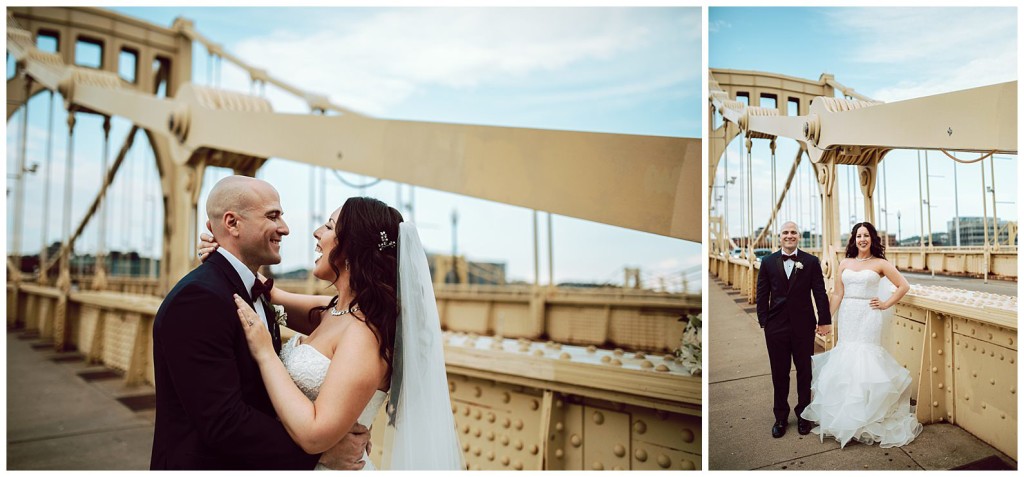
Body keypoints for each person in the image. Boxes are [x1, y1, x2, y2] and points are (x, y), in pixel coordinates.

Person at [199, 196, 464, 470]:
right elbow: (267, 293)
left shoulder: (364, 336)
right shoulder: (333, 312)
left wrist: (266, 354)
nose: (317, 232)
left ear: (351, 247)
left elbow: (314, 435)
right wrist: (226, 249)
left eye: (328, 226)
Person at [151, 176, 368, 470]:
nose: (286, 228)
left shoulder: (350, 319)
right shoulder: (199, 299)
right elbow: (222, 421)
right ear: (232, 223)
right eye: (273, 216)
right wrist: (319, 454)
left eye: (329, 227)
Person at [800, 222, 921, 448]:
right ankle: (845, 416)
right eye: (858, 236)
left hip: (869, 315)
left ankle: (867, 416)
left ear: (872, 239)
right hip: (847, 314)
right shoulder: (845, 262)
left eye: (866, 235)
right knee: (846, 357)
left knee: (866, 358)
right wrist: (824, 320)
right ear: (853, 239)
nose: (862, 239)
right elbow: (837, 293)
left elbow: (904, 286)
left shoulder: (881, 263)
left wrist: (885, 304)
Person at [755, 221, 832, 439]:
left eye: (793, 232)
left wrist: (824, 320)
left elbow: (819, 292)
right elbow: (762, 294)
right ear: (779, 237)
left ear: (799, 236)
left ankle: (804, 415)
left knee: (804, 373)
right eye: (785, 232)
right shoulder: (768, 262)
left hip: (803, 326)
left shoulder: (810, 261)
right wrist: (764, 322)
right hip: (775, 327)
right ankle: (780, 417)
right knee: (779, 374)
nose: (789, 236)